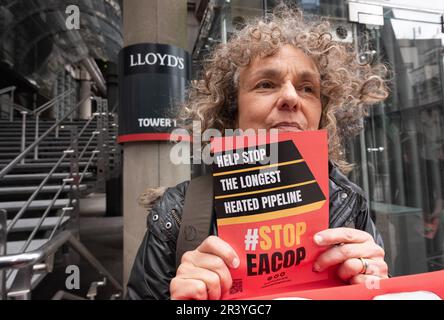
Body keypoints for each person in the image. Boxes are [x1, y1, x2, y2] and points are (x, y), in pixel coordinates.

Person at [126, 4, 389, 300]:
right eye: (266, 84)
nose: (291, 97)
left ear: (321, 113)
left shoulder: (349, 203)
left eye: (307, 88)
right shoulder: (176, 212)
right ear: (231, 111)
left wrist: (377, 284)